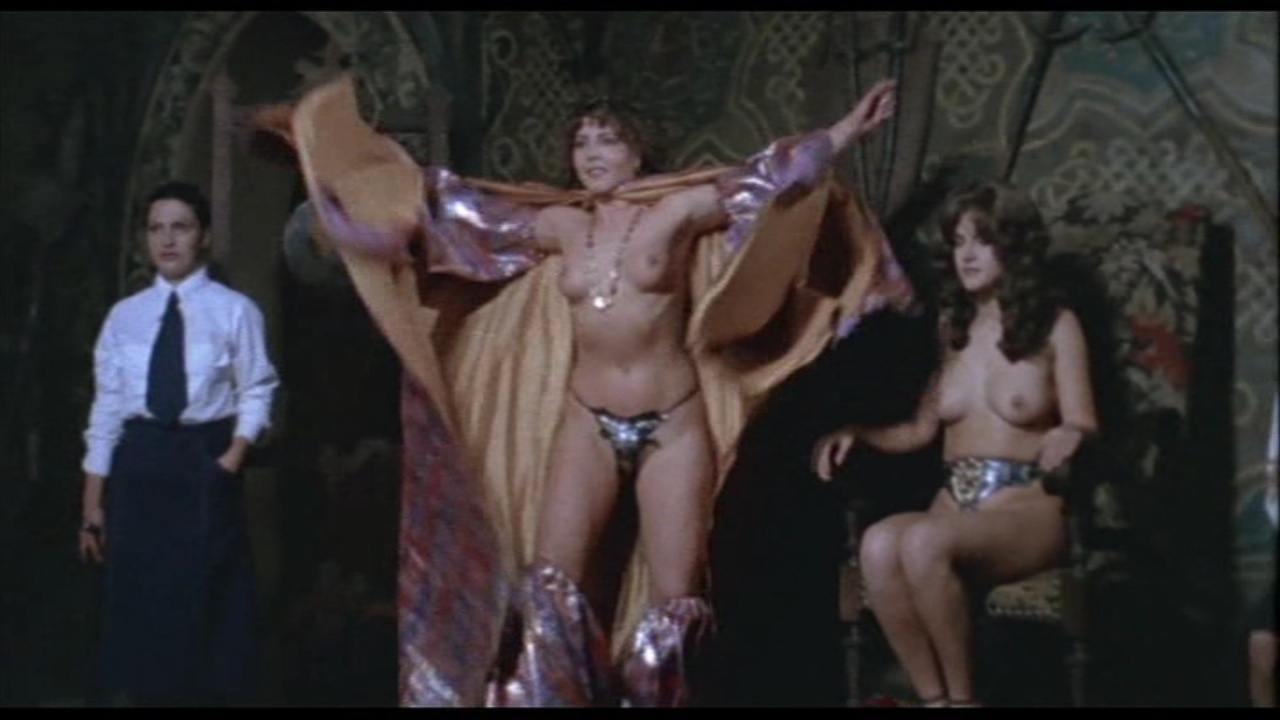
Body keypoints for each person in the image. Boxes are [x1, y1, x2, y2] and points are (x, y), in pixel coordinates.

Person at [260, 71, 914, 707]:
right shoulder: (560, 225)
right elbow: (449, 218)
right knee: (552, 588)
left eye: (608, 139)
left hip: (671, 424)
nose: (593, 154)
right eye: (582, 142)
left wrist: (845, 130)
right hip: (586, 422)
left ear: (638, 150)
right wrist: (342, 188)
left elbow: (768, 182)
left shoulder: (677, 211)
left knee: (675, 602)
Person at [811, 180, 1097, 707]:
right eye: (959, 241)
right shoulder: (952, 328)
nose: (966, 255)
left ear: (1013, 246)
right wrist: (857, 434)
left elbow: (1084, 420)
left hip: (1024, 509)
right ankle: (934, 699)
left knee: (923, 542)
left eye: (982, 240)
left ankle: (964, 701)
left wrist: (1069, 433)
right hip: (953, 504)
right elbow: (920, 431)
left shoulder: (1056, 325)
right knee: (877, 544)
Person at [78, 181, 279, 705]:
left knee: (206, 616)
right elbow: (107, 408)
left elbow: (257, 388)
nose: (167, 240)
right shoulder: (124, 317)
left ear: (203, 236)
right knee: (142, 614)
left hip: (203, 464)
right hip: (139, 470)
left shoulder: (235, 310)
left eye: (181, 228)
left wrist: (231, 459)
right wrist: (93, 502)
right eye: (156, 229)